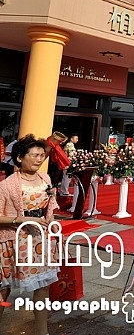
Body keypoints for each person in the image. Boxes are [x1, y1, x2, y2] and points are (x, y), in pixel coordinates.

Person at [0, 134, 60, 335]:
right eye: (34, 155)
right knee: (4, 288)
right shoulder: (7, 185)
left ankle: (42, 332)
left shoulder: (45, 178)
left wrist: (52, 224)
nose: (39, 159)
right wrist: (21, 219)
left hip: (39, 240)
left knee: (43, 287)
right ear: (19, 157)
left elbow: (49, 207)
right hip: (14, 241)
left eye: (41, 155)